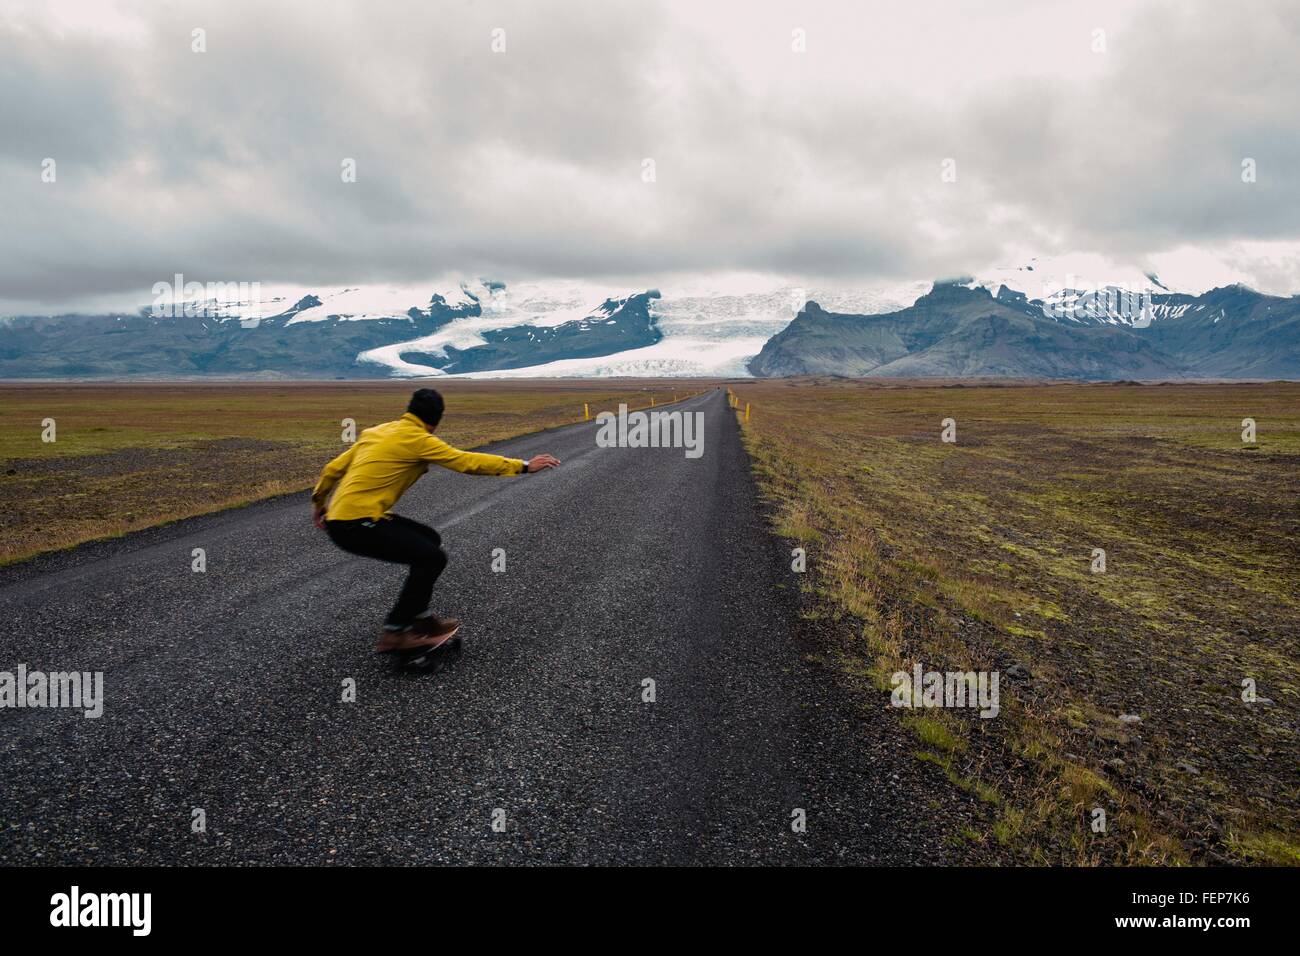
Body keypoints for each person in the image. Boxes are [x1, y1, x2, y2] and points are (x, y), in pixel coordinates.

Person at [312, 387, 560, 652]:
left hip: (343, 520)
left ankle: (419, 617)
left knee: (430, 539)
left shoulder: (376, 432)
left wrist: (320, 504)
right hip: (358, 524)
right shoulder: (420, 439)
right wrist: (523, 465)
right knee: (433, 558)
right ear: (437, 419)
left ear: (409, 410)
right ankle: (395, 631)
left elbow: (332, 469)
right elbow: (466, 462)